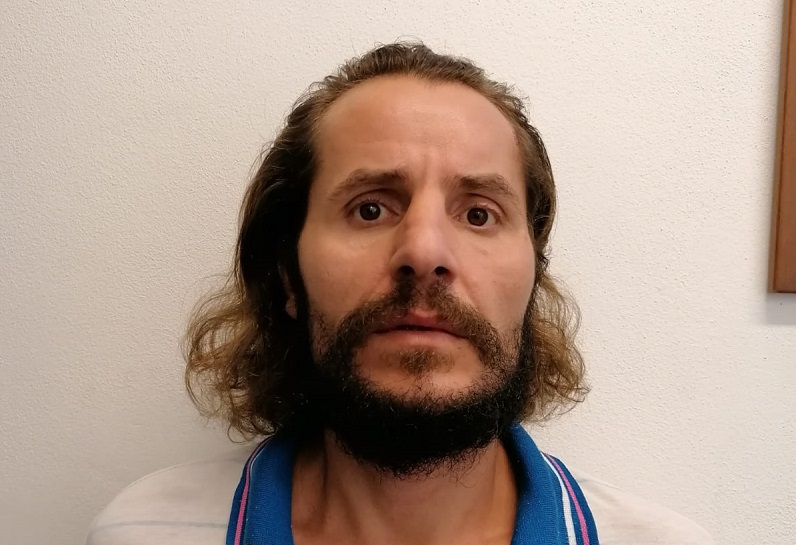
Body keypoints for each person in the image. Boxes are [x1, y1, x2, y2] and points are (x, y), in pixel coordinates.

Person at [88, 42, 714, 545]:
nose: (424, 252)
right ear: (286, 277)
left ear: (531, 278)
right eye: (370, 208)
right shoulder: (141, 532)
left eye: (479, 214)